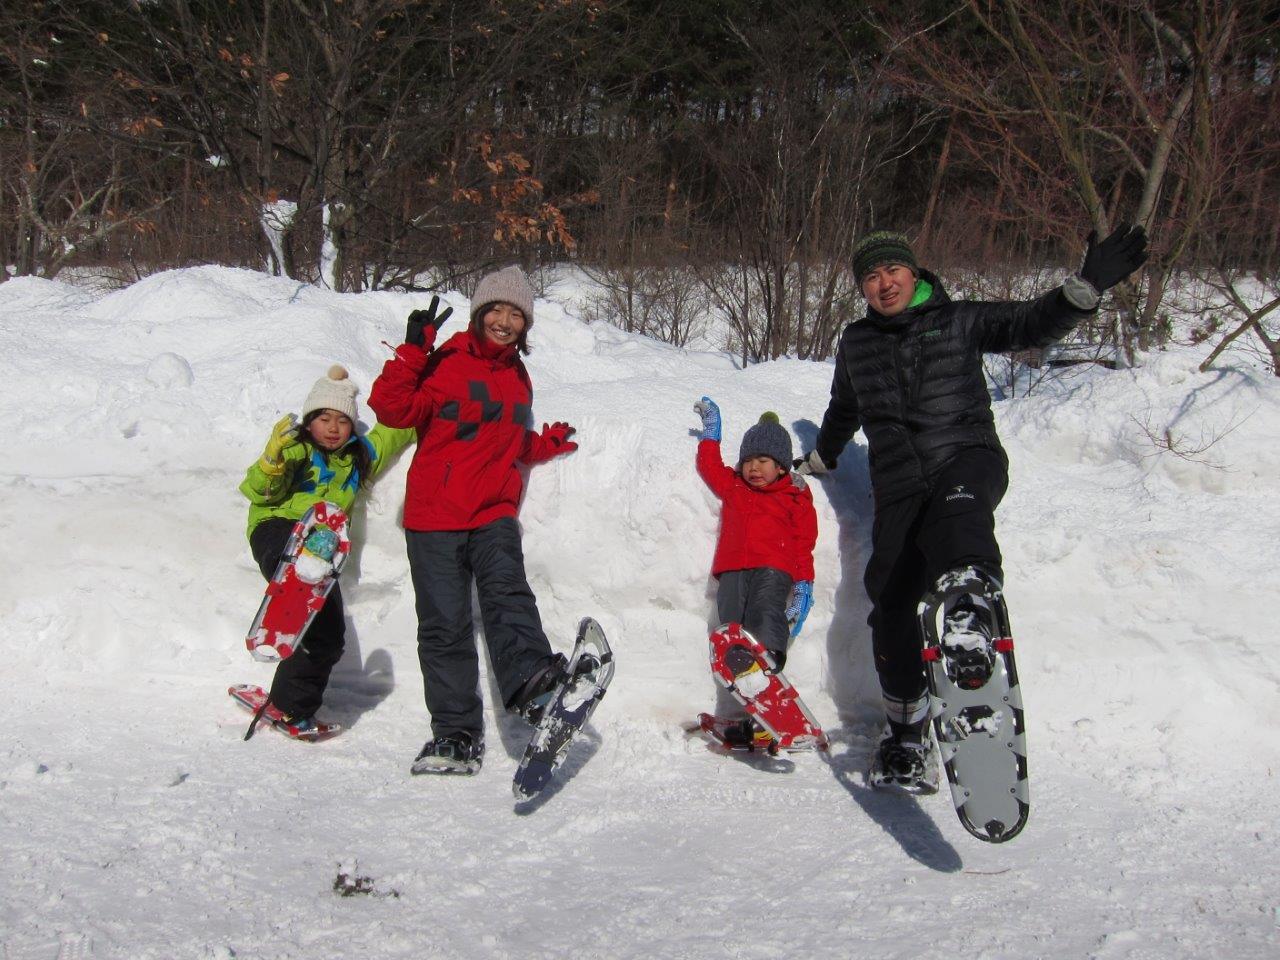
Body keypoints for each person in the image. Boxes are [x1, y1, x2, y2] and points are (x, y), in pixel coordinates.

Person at [796, 225, 1148, 791]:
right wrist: (819, 459)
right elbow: (843, 408)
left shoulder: (960, 319)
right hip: (900, 486)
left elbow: (1030, 324)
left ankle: (970, 607)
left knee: (958, 521)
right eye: (871, 276)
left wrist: (1084, 289)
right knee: (890, 600)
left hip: (966, 457)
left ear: (914, 273)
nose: (884, 284)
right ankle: (907, 736)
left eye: (892, 271)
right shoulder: (856, 341)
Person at [369, 267, 581, 775]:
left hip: (493, 511)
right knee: (445, 625)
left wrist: (542, 446)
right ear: (480, 313)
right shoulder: (445, 362)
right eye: (497, 311)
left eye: (516, 314)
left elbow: (503, 436)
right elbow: (392, 409)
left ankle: (530, 684)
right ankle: (455, 734)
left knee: (509, 592)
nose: (505, 322)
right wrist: (411, 352)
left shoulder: (517, 374)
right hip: (435, 516)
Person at [240, 365, 416, 731]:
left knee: (328, 639)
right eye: (323, 418)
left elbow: (397, 429)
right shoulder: (295, 449)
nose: (333, 428)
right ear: (309, 421)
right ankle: (290, 576)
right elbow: (258, 491)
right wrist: (272, 457)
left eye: (342, 421)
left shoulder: (359, 456)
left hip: (321, 555)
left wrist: (425, 397)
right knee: (293, 548)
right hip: (278, 530)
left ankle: (291, 706)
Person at [693, 399, 819, 749]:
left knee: (766, 615)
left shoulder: (794, 495)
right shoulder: (734, 485)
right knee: (731, 634)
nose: (753, 468)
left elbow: (804, 542)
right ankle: (755, 717)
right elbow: (709, 465)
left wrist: (804, 584)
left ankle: (771, 671)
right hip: (732, 570)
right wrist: (711, 433)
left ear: (780, 466)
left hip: (772, 568)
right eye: (748, 460)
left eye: (762, 461)